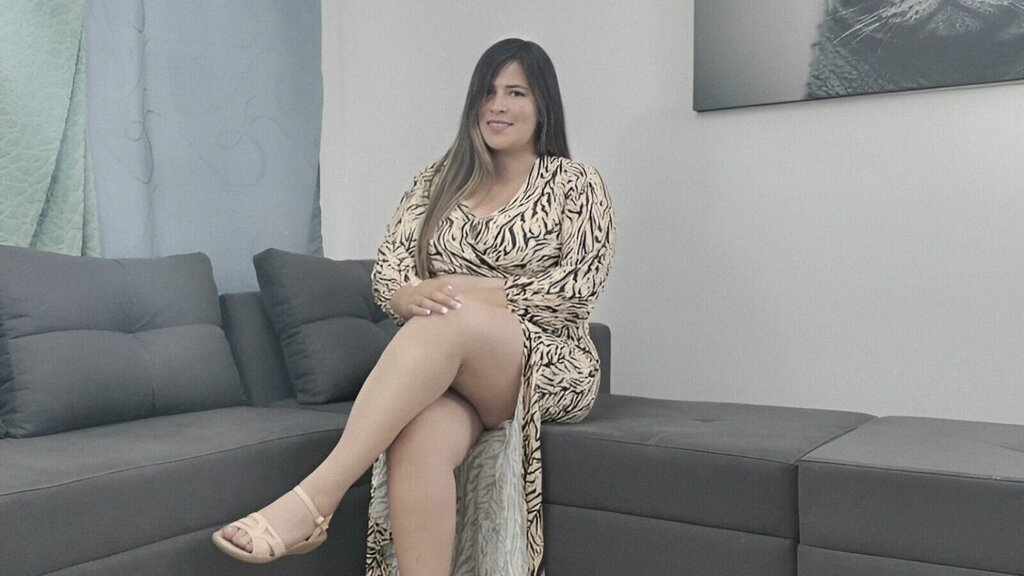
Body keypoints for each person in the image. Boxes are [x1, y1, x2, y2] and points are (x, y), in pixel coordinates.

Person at [213, 37, 615, 576]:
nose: (497, 105)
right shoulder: (441, 179)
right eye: (487, 92)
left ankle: (316, 498)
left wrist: (465, 289)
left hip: (546, 360)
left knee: (447, 318)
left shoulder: (575, 183)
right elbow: (390, 269)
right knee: (416, 441)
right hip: (453, 368)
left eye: (515, 93)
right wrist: (404, 294)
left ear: (543, 105)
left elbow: (576, 289)